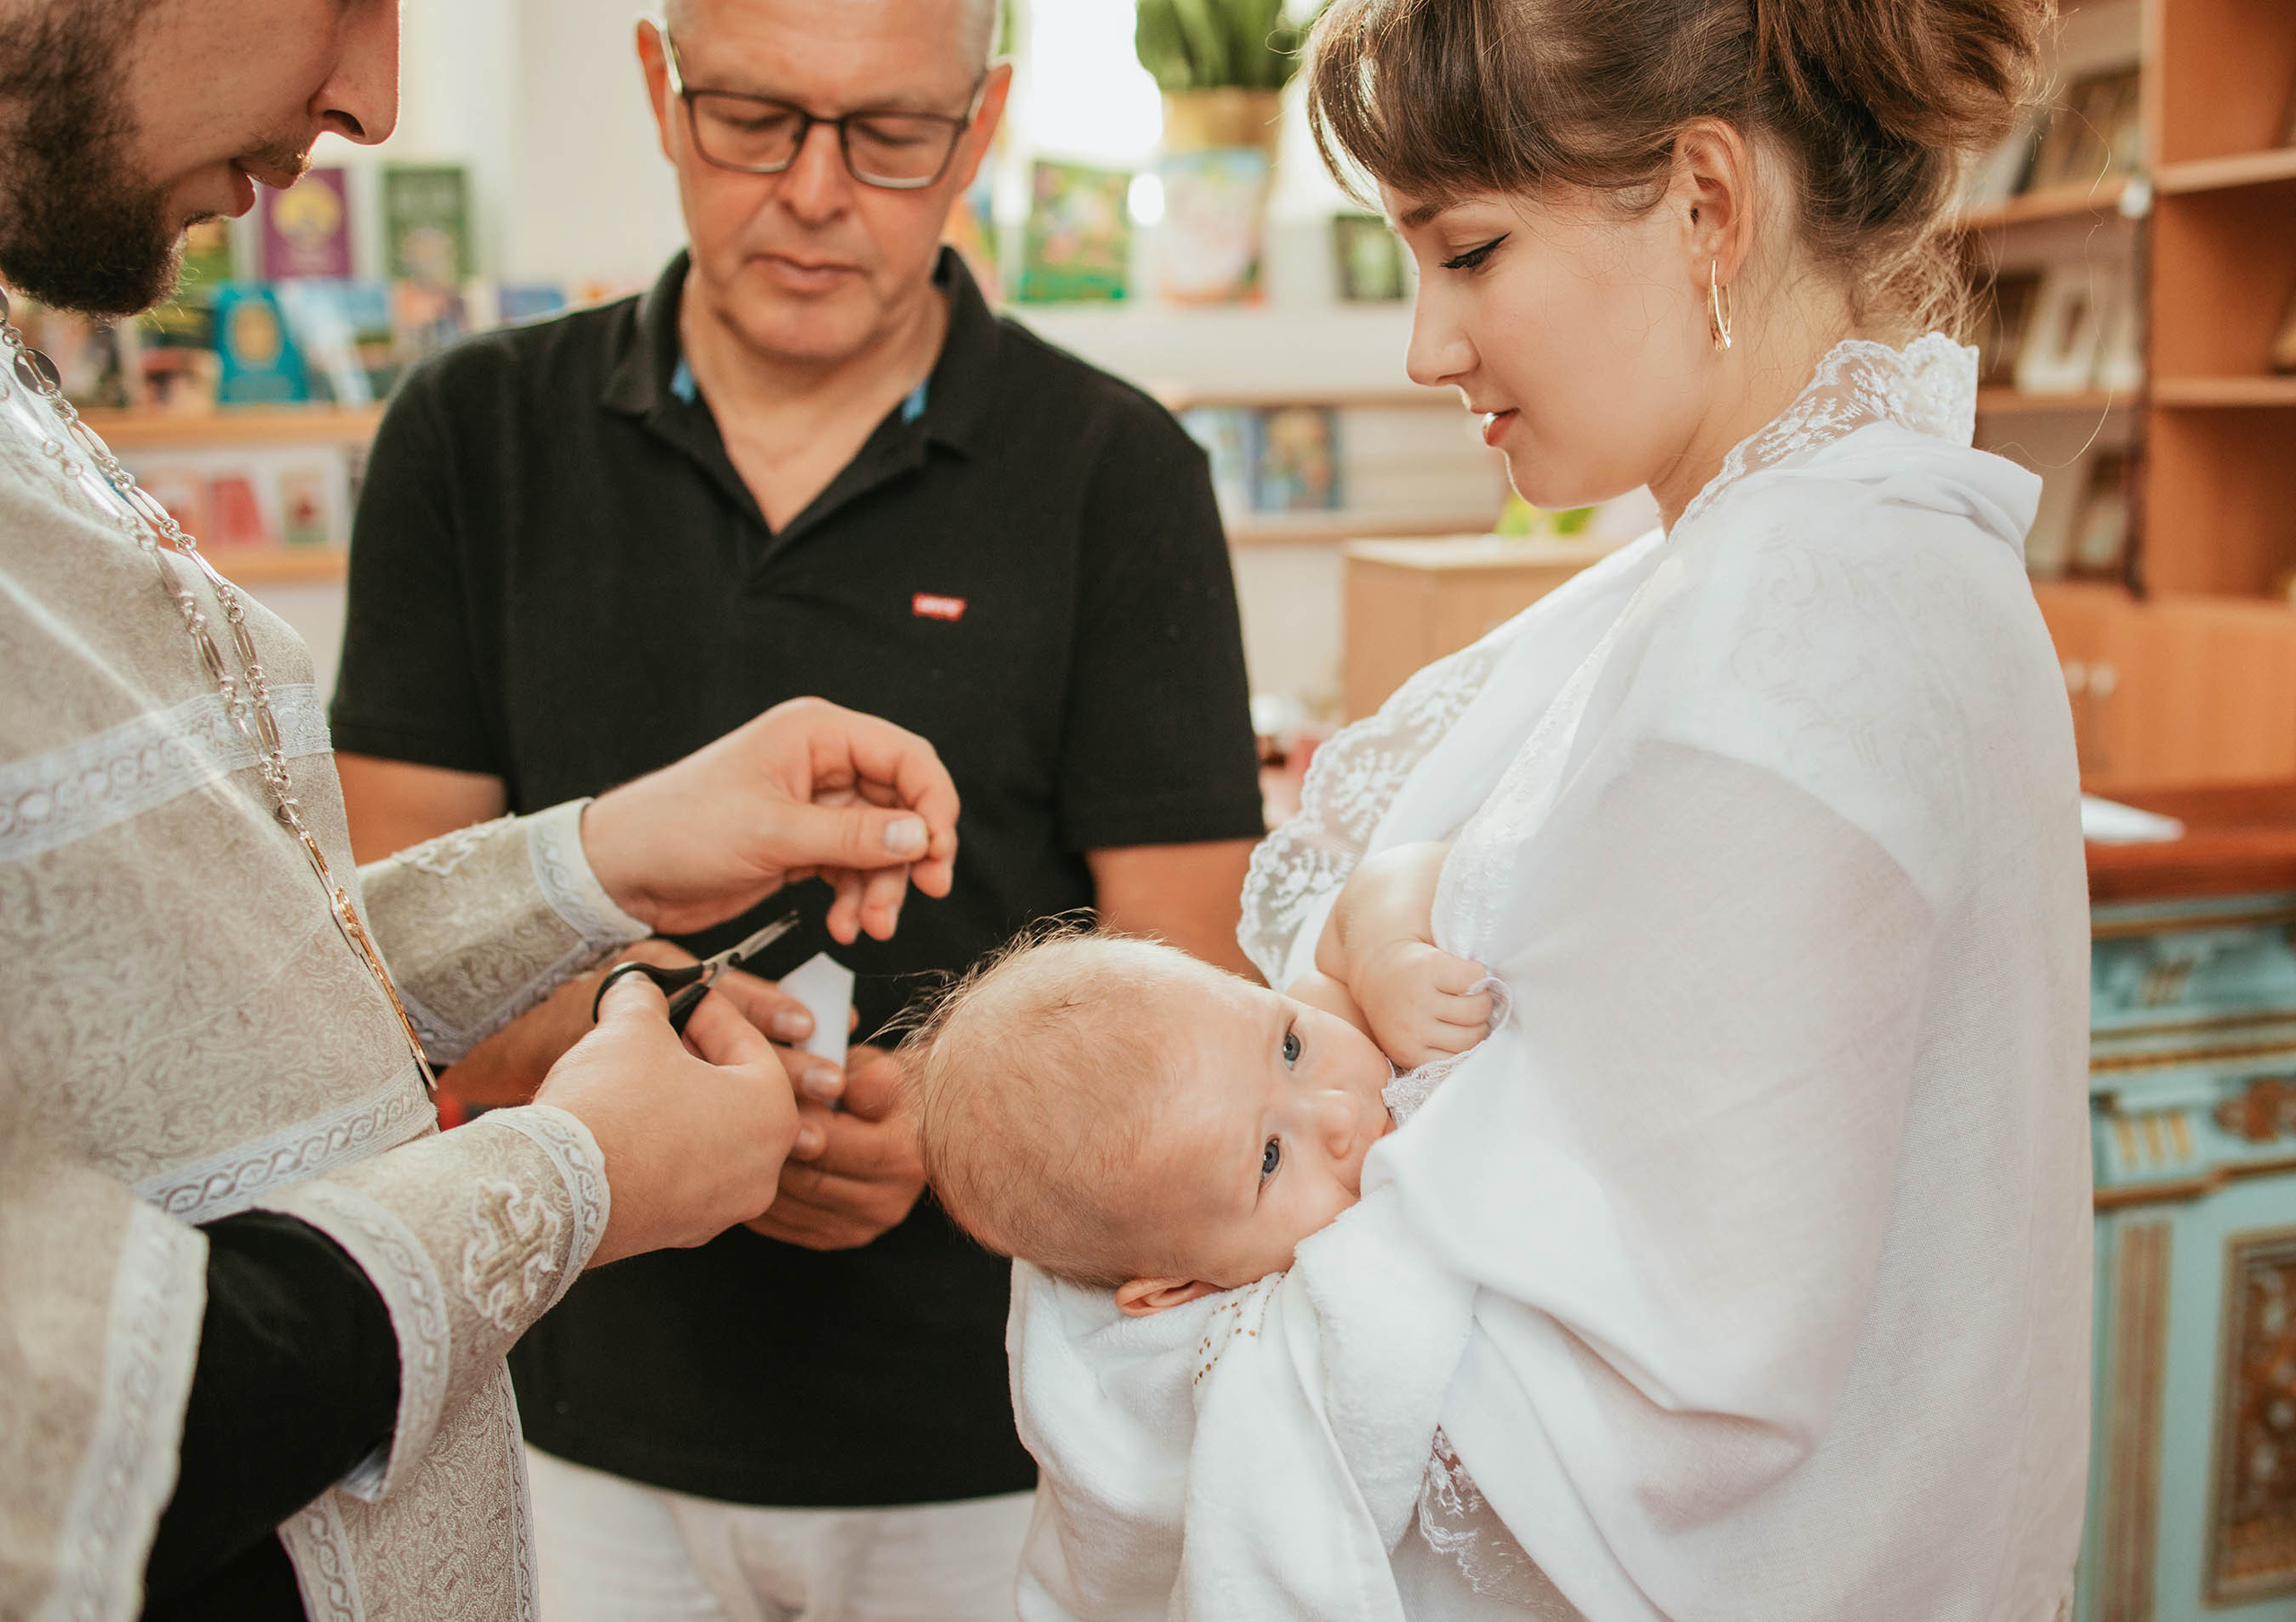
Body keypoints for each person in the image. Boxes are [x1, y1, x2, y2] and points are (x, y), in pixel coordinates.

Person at [1014, 0, 2095, 1618]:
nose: (1428, 347)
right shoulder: (1783, 559)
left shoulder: (1793, 622)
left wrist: (1137, 1320)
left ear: (1708, 204)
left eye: (1470, 252)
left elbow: (1633, 1383)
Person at [0, 4, 962, 1620]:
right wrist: (577, 1175)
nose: (376, 98)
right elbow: (56, 1415)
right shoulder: (478, 424)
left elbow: (190, 1018)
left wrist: (591, 858)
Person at [324, 0, 1265, 1611]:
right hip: (567, 1410)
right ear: (659, 86)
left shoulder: (1119, 470)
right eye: (754, 119)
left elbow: (1197, 984)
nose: (815, 192)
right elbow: (381, 968)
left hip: (994, 1439)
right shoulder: (471, 438)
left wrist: (950, 1121)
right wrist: (631, 1030)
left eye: (889, 135)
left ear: (981, 128)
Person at [902, 846, 1490, 1312]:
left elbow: (1395, 872)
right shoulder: (1277, 1329)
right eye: (1269, 1158)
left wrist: (1385, 955)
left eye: (1290, 1047)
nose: (1338, 1109)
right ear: (1179, 1287)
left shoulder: (1342, 1010)